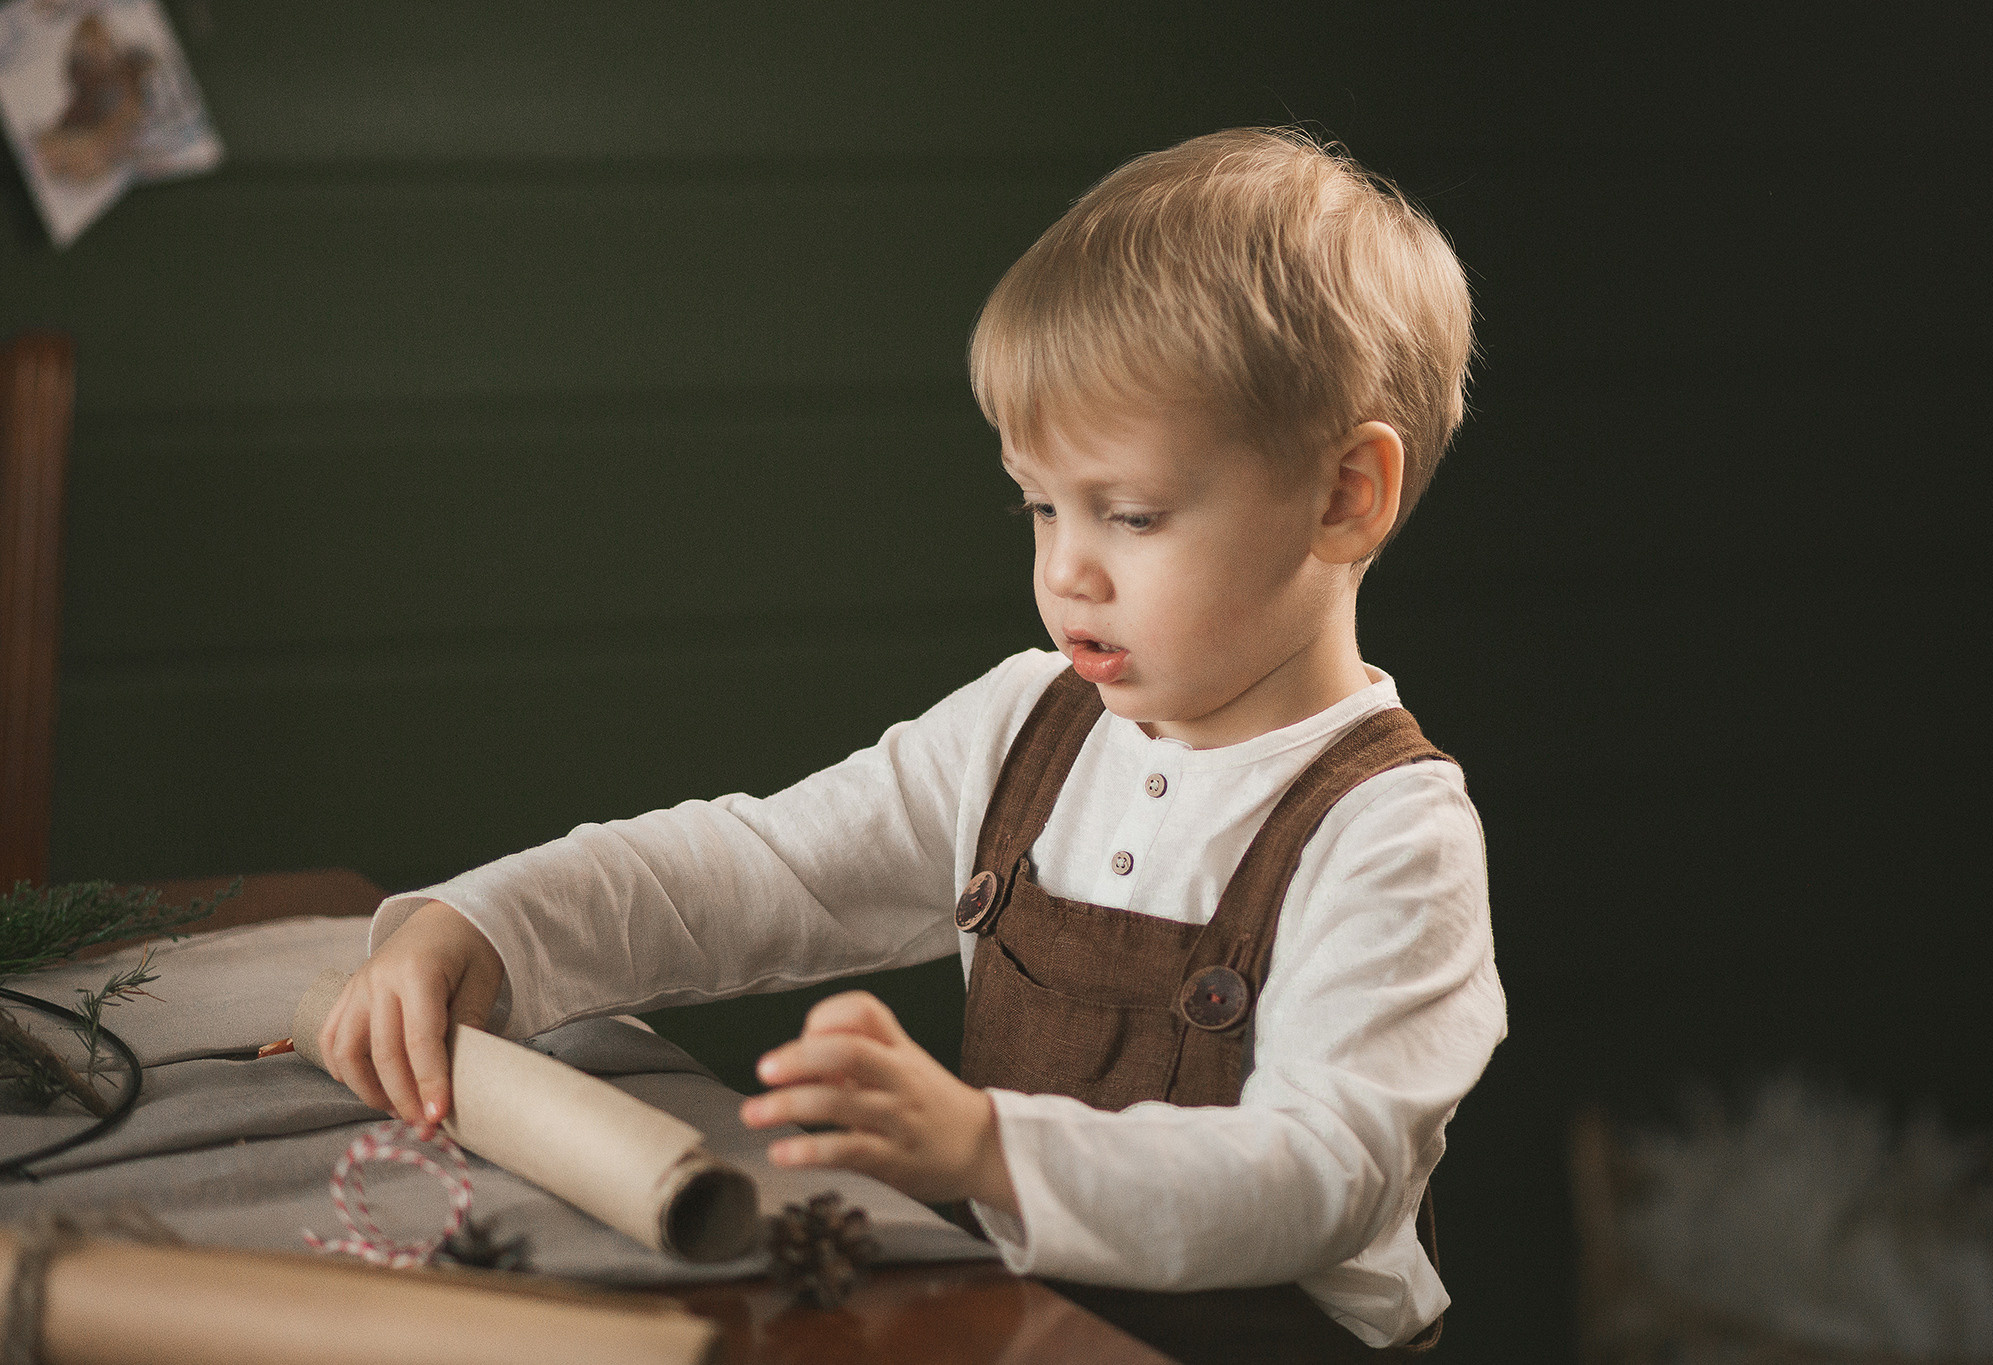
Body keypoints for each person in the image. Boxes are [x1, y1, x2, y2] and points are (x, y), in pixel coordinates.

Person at [320, 126, 1504, 1355]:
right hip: (1026, 1323)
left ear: (1341, 496)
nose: (1064, 573)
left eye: (1132, 514)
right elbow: (760, 869)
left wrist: (987, 1149)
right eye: (1039, 505)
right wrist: (485, 926)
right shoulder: (1024, 729)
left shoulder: (1389, 836)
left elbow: (1322, 1175)